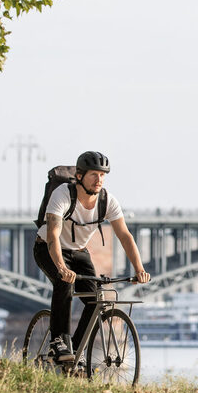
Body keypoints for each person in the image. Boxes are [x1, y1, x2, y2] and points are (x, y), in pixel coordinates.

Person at [33, 151, 150, 363]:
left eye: (103, 175)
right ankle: (58, 342)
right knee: (63, 283)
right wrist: (61, 267)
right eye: (94, 174)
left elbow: (124, 236)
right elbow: (52, 236)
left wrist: (139, 269)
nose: (99, 180)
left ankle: (75, 351)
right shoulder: (63, 195)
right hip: (48, 249)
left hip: (79, 251)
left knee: (96, 298)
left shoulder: (107, 201)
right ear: (79, 176)